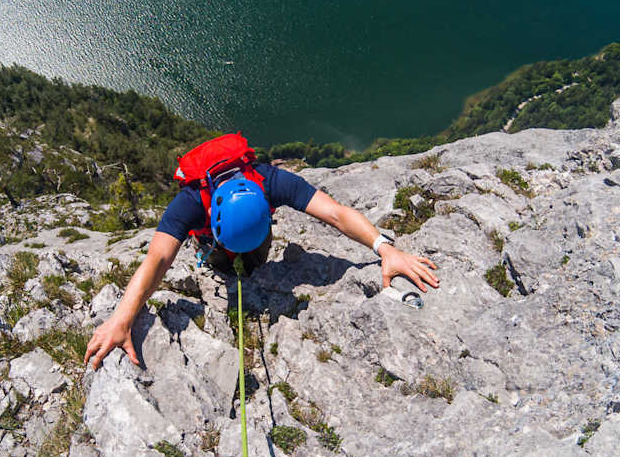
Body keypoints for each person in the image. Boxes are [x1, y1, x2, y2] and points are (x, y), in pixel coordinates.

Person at [85, 134, 439, 370]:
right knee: (225, 266)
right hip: (214, 244)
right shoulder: (189, 203)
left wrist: (385, 248)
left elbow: (335, 213)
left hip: (249, 232)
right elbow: (158, 259)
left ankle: (248, 256)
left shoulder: (272, 181)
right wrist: (122, 318)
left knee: (253, 262)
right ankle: (221, 259)